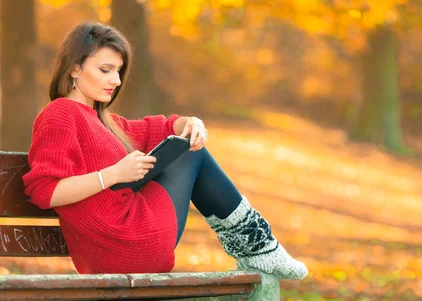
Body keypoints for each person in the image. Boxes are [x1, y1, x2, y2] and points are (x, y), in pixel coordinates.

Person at [22, 21, 308, 280]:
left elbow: (162, 127)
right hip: (121, 242)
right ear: (74, 67)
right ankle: (259, 247)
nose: (116, 81)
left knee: (187, 144)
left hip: (122, 245)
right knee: (192, 154)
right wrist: (112, 174)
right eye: (105, 70)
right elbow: (45, 192)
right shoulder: (60, 114)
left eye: (119, 71)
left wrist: (192, 122)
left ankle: (257, 248)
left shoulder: (105, 121)